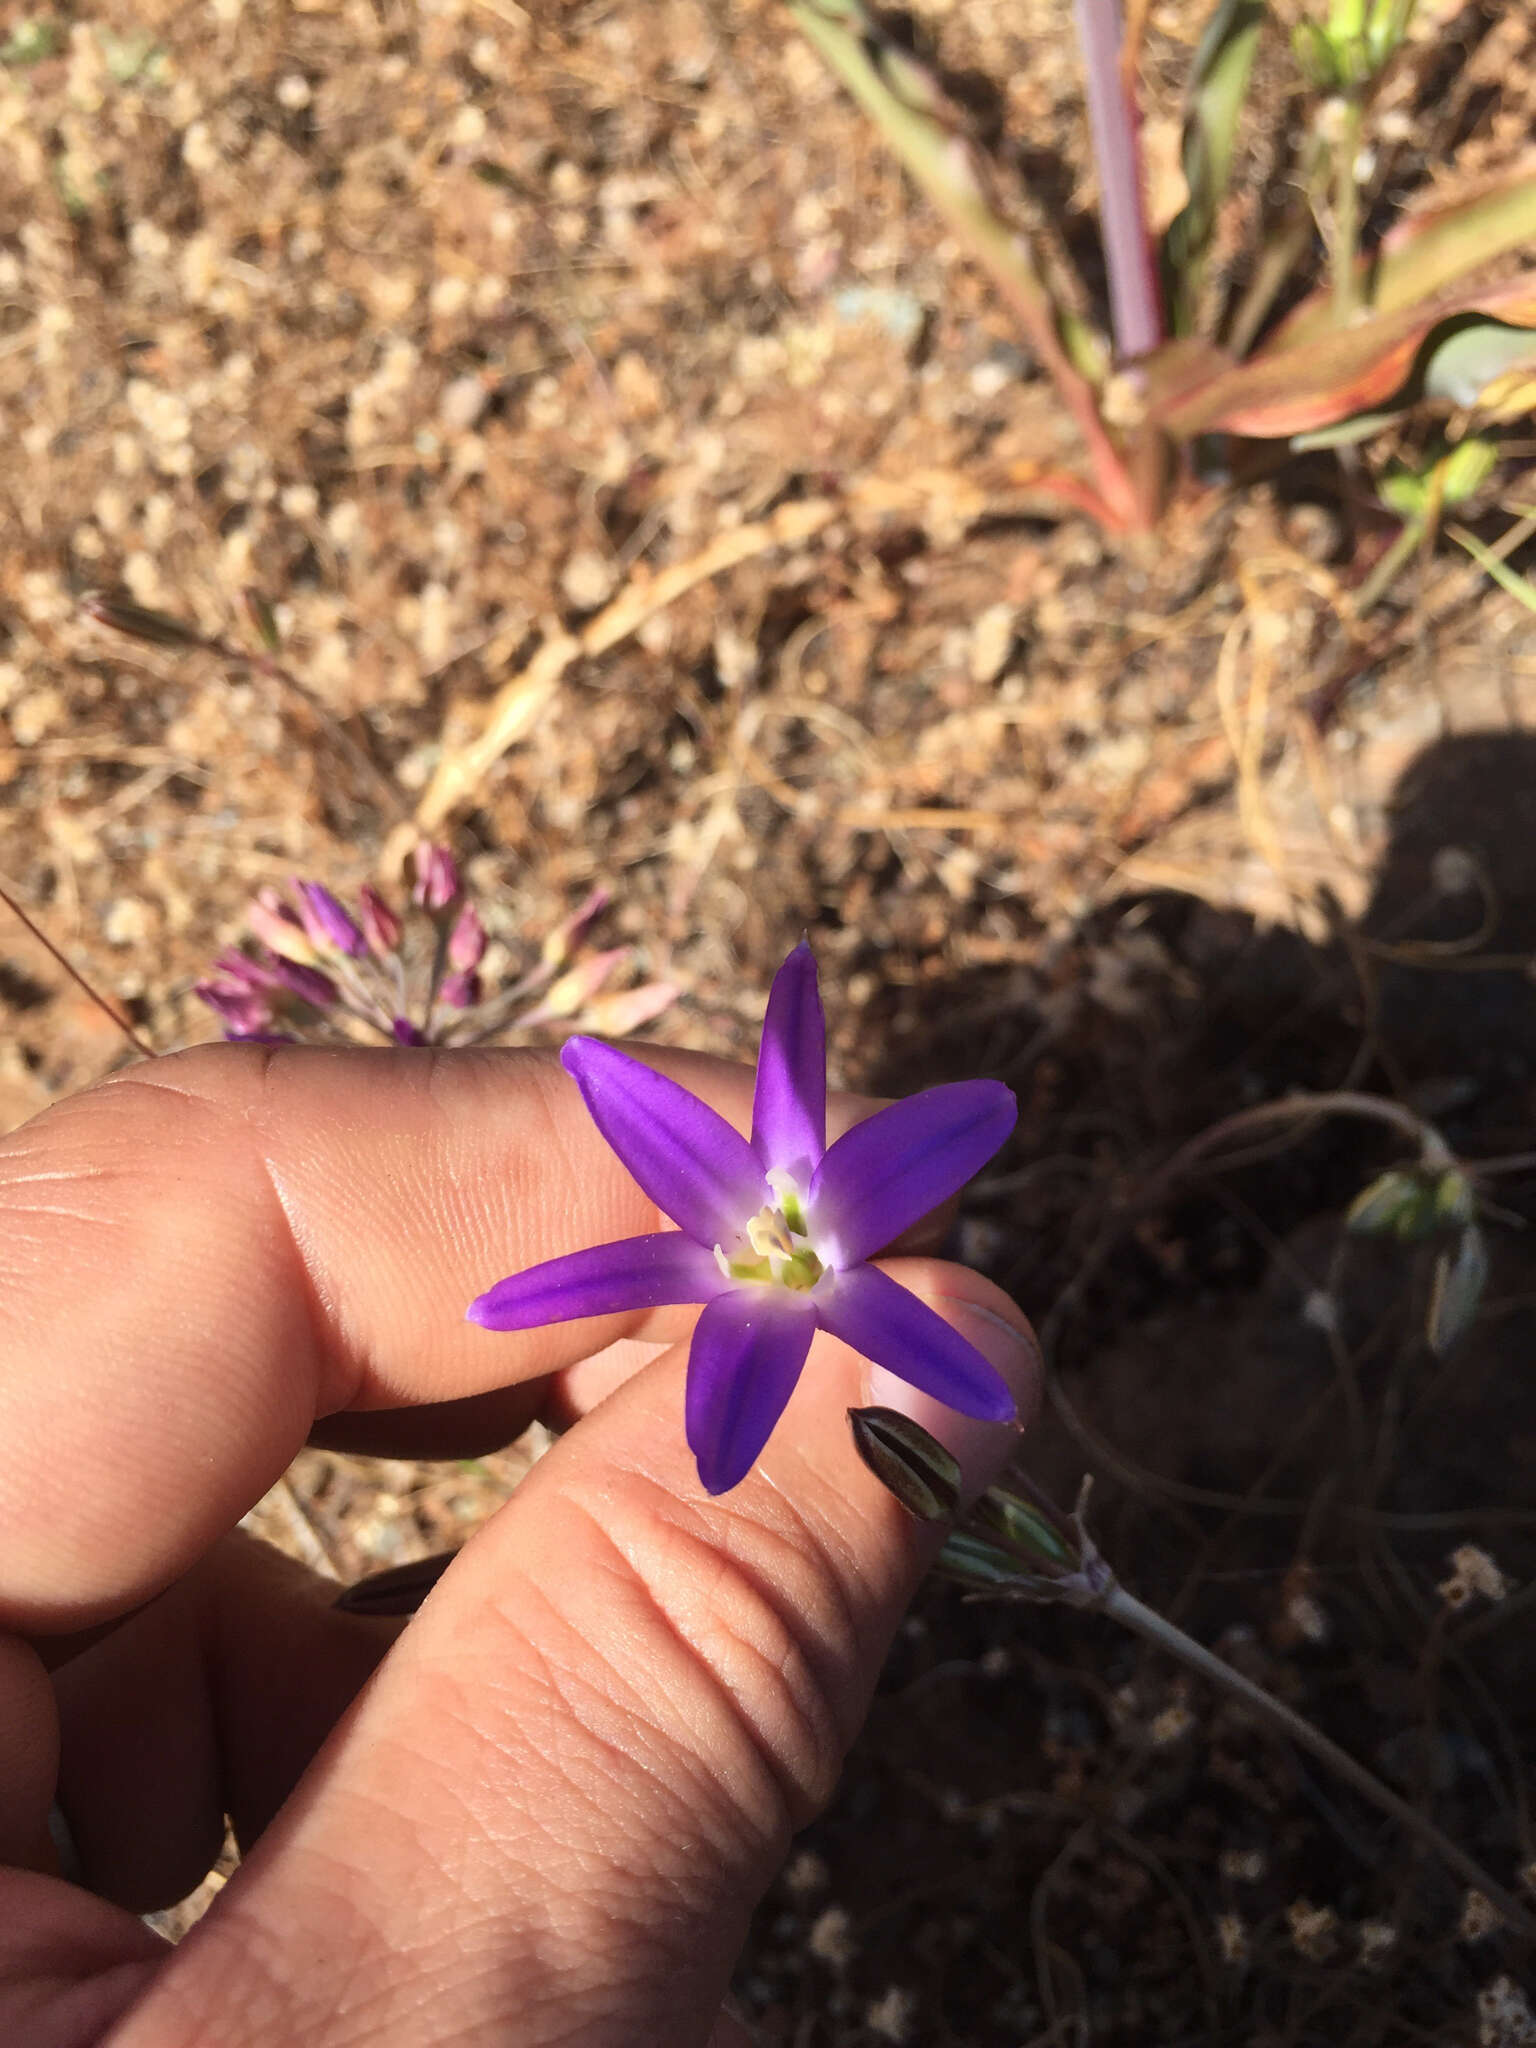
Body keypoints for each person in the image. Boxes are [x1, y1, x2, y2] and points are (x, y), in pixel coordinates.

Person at [0, 1042, 1038, 2046]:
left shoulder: (816, 1239)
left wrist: (955, 1382)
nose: (777, 1248)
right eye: (770, 1244)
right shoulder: (747, 1276)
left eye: (786, 1245)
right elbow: (714, 1460)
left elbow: (967, 1117)